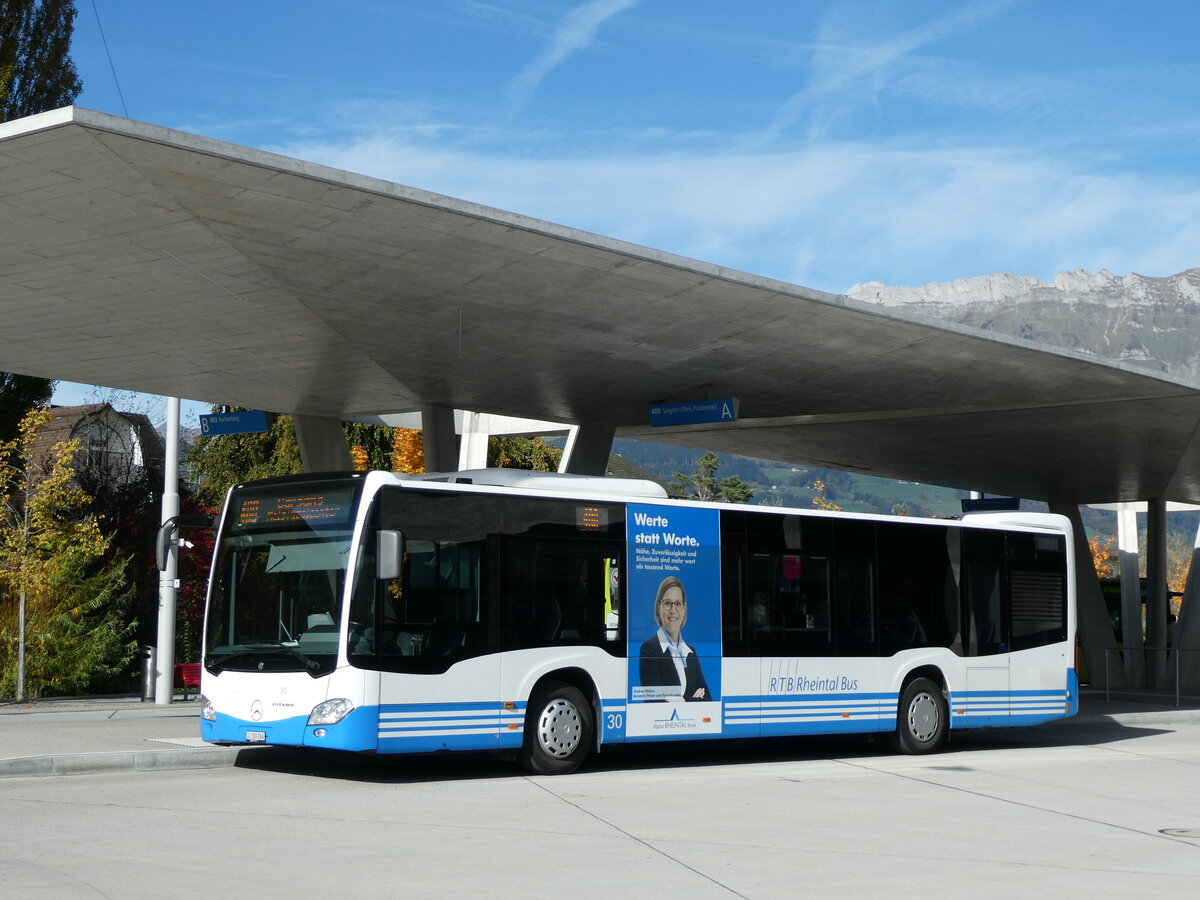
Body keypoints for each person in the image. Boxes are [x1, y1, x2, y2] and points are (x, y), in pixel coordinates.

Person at [638, 576, 710, 701]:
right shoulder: (649, 649)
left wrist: (682, 700)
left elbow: (708, 699)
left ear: (684, 609)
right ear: (658, 608)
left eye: (678, 604)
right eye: (667, 603)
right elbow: (653, 701)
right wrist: (694, 699)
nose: (673, 610)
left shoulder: (690, 653)